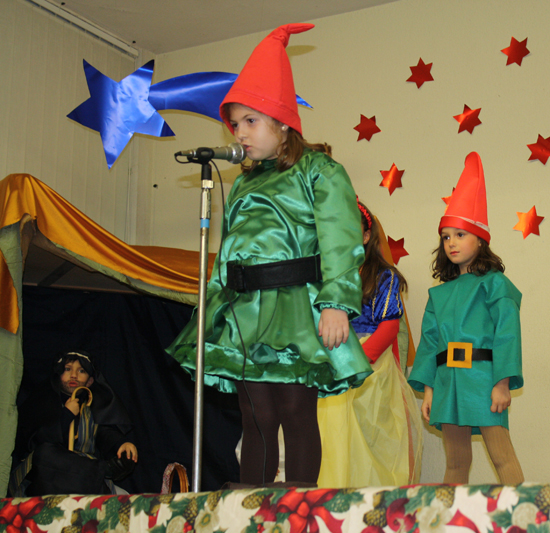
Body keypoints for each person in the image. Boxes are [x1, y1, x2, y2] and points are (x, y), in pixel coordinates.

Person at [166, 23, 372, 486]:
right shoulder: (243, 181)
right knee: (255, 413)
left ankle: (298, 505)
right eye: (235, 123)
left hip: (296, 305)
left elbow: (340, 239)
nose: (240, 132)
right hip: (247, 311)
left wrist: (336, 303)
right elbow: (231, 250)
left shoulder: (319, 170)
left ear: (282, 122)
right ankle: (252, 506)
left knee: (295, 409)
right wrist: (215, 306)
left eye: (250, 121)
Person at [408, 152, 524, 485]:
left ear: (480, 238)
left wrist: (502, 382)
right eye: (446, 237)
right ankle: (452, 514)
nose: (451, 243)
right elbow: (430, 343)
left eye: (460, 235)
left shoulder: (496, 284)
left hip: (483, 380)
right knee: (456, 462)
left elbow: (507, 334)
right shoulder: (439, 294)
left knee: (502, 456)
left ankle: (522, 512)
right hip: (448, 382)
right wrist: (429, 390)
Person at [317, 200, 423, 487]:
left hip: (370, 365)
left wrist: (359, 360)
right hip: (333, 362)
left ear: (366, 236)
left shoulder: (383, 275)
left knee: (372, 437)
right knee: (335, 436)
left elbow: (390, 326)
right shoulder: (326, 277)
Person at [10, 351, 137, 496]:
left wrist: (121, 444)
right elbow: (38, 439)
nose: (74, 375)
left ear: (90, 381)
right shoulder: (42, 402)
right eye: (67, 369)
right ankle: (103, 469)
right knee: (44, 453)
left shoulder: (91, 409)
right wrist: (67, 414)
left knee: (123, 495)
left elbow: (104, 434)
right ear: (58, 375)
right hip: (48, 478)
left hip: (82, 477)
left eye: (81, 371)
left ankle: (99, 471)